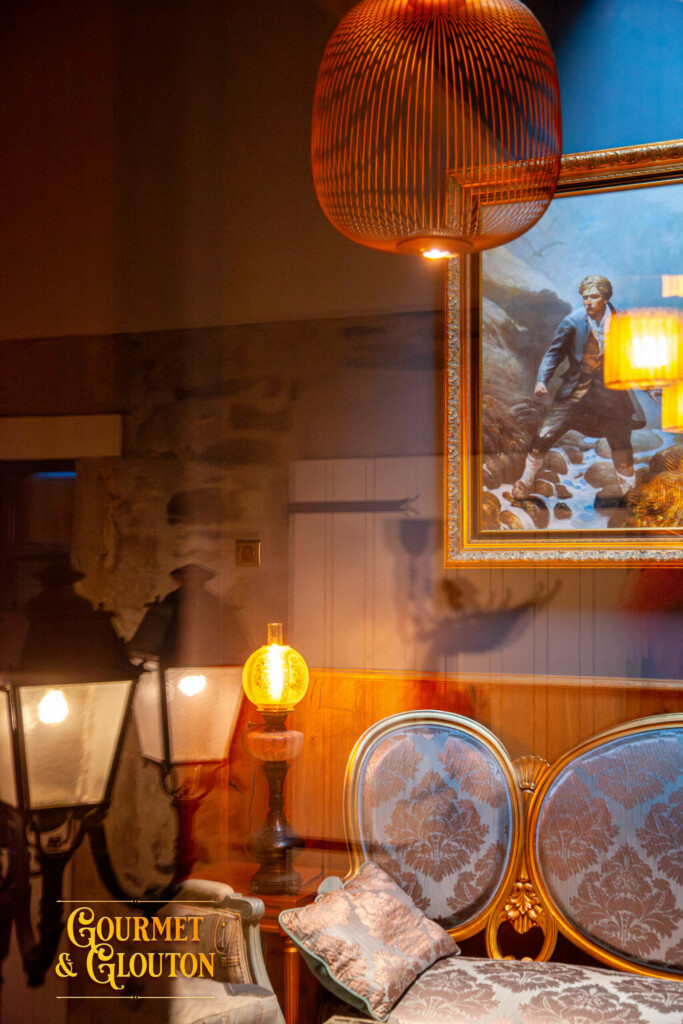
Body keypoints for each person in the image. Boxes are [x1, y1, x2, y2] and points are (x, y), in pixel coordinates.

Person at [512, 274, 645, 500]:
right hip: (576, 392)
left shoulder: (622, 319)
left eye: (594, 297)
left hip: (612, 396)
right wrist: (542, 380)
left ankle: (630, 496)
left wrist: (648, 386)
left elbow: (631, 356)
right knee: (543, 436)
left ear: (605, 298)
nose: (588, 302)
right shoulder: (573, 320)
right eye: (585, 297)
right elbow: (554, 353)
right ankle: (525, 481)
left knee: (622, 448)